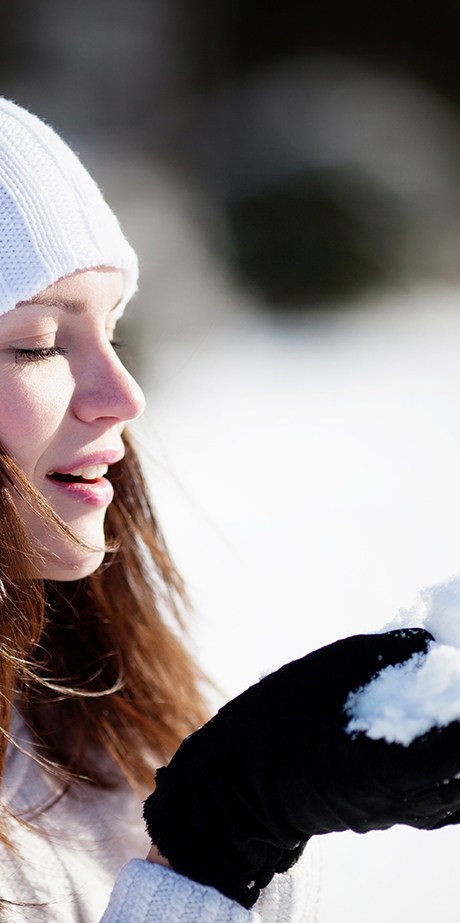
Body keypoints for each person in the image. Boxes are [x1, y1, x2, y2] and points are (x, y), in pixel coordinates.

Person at [2, 97, 460, 923]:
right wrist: (210, 854)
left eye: (115, 330)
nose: (123, 396)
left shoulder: (76, 722)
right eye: (37, 342)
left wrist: (241, 817)